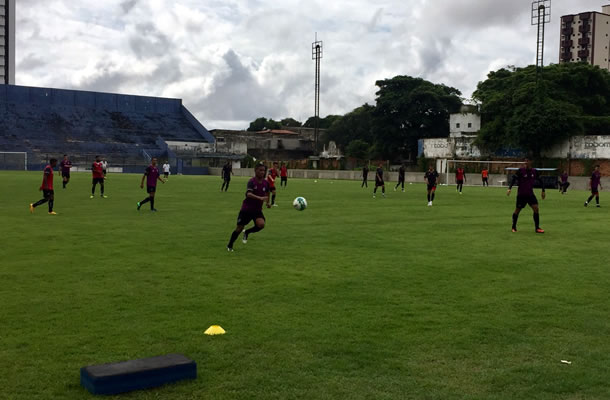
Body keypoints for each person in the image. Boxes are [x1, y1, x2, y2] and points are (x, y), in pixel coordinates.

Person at [227, 163, 269, 251]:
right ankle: (230, 245)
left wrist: (267, 203)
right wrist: (260, 198)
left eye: (264, 170)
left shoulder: (266, 183)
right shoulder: (252, 182)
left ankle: (247, 232)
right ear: (255, 170)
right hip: (247, 209)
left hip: (257, 210)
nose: (262, 172)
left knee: (261, 225)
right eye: (260, 170)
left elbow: (267, 193)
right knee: (239, 228)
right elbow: (248, 194)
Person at [507, 158, 545, 233]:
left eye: (527, 161)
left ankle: (537, 228)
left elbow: (541, 180)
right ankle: (513, 227)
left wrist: (543, 190)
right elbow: (514, 179)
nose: (526, 162)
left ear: (531, 162)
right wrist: (509, 188)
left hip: (530, 194)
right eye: (525, 161)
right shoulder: (520, 171)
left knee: (536, 208)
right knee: (517, 210)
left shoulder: (534, 171)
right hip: (521, 195)